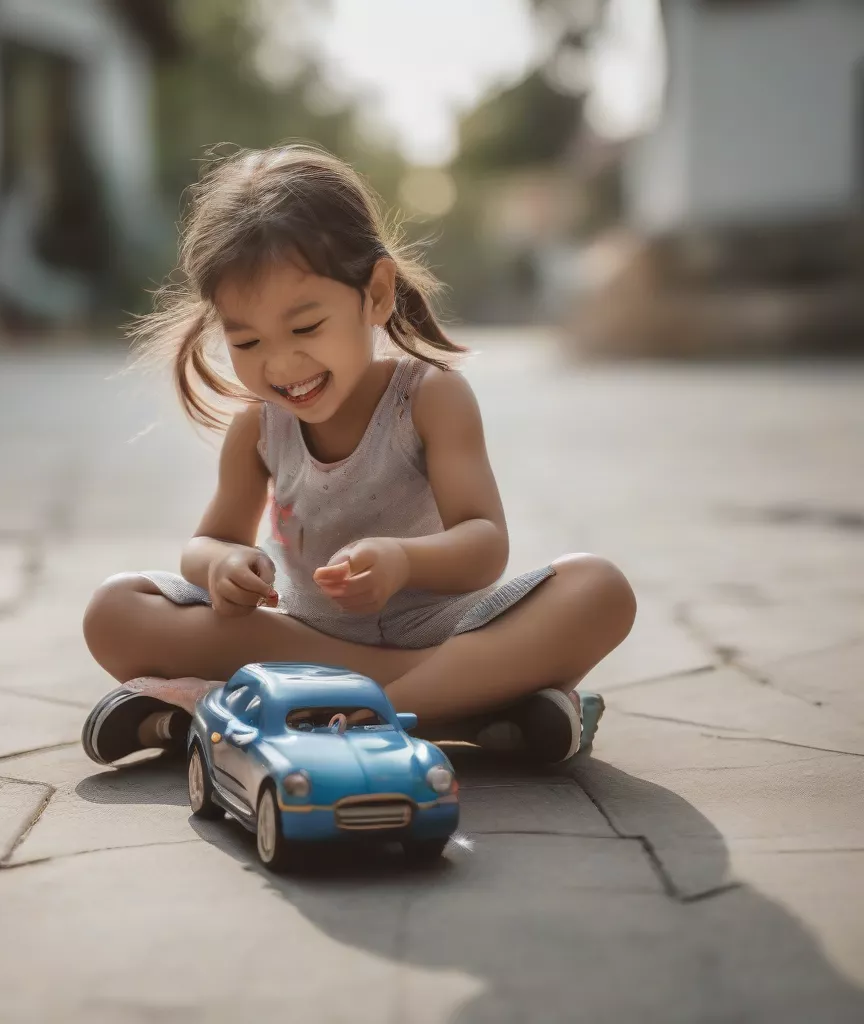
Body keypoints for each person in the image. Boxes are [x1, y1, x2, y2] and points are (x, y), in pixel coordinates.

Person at [80, 144, 636, 769]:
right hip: (306, 640)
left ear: (374, 293)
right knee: (115, 610)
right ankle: (466, 704)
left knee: (599, 590)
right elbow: (206, 542)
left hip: (447, 630)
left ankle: (321, 714)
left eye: (307, 328)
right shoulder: (256, 427)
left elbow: (484, 545)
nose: (282, 365)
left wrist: (403, 560)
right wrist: (224, 566)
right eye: (248, 339)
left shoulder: (429, 399)